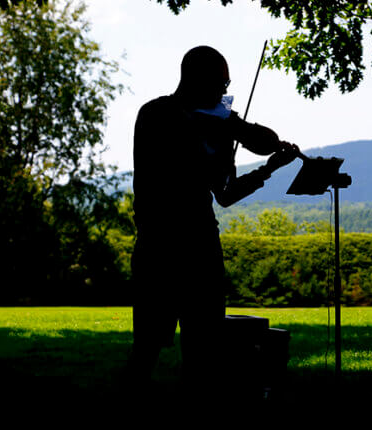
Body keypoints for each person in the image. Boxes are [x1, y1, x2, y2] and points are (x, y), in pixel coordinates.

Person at [127, 46, 298, 392]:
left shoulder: (219, 126)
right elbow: (173, 164)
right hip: (159, 246)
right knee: (146, 349)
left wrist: (268, 167)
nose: (224, 93)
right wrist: (225, 129)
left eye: (227, 84)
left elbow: (225, 195)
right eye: (220, 83)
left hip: (203, 247)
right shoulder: (156, 114)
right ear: (195, 79)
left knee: (203, 350)